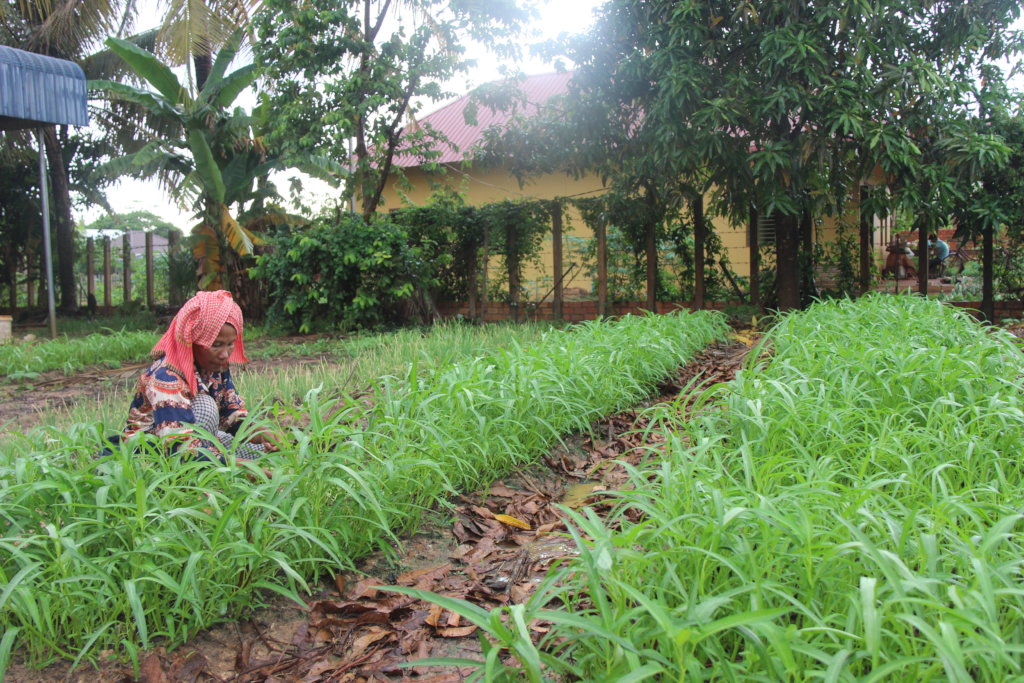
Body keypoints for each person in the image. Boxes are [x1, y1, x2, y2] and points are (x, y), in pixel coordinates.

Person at [122, 290, 275, 461]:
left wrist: (259, 432)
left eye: (230, 344)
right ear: (192, 340)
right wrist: (236, 465)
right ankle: (198, 478)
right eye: (216, 345)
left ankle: (217, 462)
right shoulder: (166, 378)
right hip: (155, 454)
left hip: (199, 438)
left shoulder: (216, 366)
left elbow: (230, 411)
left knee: (261, 449)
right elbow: (179, 446)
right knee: (206, 407)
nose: (225, 354)